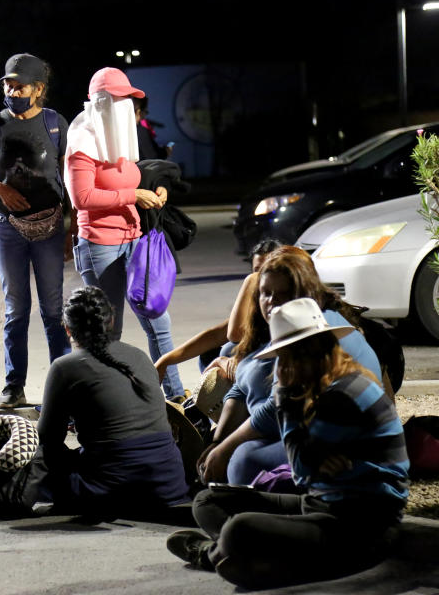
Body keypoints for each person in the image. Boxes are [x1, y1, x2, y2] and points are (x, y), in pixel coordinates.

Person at [166, 297, 409, 590]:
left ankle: (212, 554)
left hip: (360, 524)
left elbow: (302, 471)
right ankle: (253, 554)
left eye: (292, 354)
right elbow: (311, 470)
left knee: (239, 528)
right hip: (322, 502)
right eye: (284, 355)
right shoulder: (321, 385)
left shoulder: (340, 394)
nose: (285, 364)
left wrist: (282, 397)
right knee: (208, 501)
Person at [198, 246, 383, 486]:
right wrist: (217, 442)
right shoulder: (276, 325)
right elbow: (241, 387)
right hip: (293, 426)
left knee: (242, 461)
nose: (272, 302)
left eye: (283, 294)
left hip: (335, 437)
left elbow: (280, 406)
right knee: (227, 353)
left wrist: (225, 448)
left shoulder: (315, 331)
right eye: (265, 293)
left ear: (304, 293)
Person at [65, 67, 183, 399]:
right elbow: (81, 198)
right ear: (102, 103)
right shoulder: (83, 139)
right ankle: (108, 400)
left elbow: (134, 180)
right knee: (108, 329)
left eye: (129, 101)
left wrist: (156, 192)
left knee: (158, 319)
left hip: (135, 240)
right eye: (121, 100)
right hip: (100, 245)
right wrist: (132, 196)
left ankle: (175, 398)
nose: (127, 107)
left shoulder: (118, 136)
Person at [0, 53, 73, 409]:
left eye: (19, 85)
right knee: (16, 310)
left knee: (53, 310)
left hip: (49, 226)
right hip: (6, 227)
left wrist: (71, 228)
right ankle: (14, 385)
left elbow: (69, 178)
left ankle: (63, 386)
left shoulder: (55, 123)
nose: (12, 91)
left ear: (38, 88)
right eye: (8, 85)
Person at [37, 286, 188, 515]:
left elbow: (48, 440)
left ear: (67, 328)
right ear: (111, 320)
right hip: (168, 485)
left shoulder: (64, 367)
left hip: (113, 492)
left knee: (32, 462)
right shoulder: (139, 355)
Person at [153, 239, 282, 381]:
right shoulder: (259, 300)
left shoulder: (286, 299)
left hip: (277, 372)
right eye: (257, 271)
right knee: (210, 352)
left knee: (228, 350)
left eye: (266, 271)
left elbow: (235, 334)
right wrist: (165, 361)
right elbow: (216, 335)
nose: (260, 278)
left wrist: (250, 281)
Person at [132, 96, 172, 161]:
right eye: (146, 111)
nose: (145, 115)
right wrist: (166, 151)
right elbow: (153, 157)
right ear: (139, 112)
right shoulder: (141, 131)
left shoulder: (120, 127)